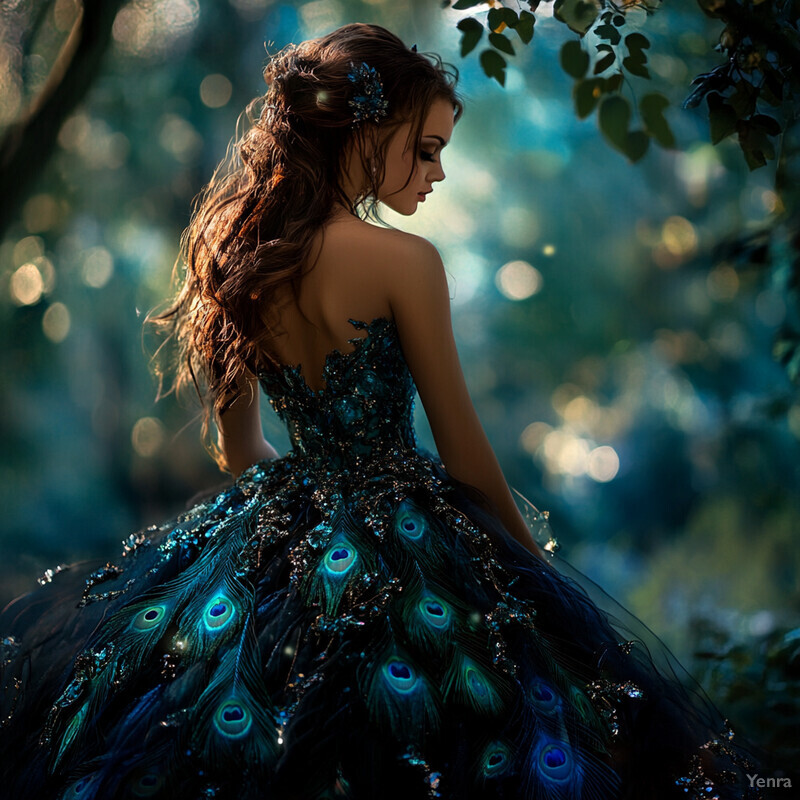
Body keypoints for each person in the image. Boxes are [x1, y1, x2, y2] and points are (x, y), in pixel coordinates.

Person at [0, 22, 766, 800]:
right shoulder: (406, 262)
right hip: (411, 532)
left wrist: (308, 514)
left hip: (282, 529)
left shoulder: (242, 262)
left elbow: (238, 452)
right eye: (425, 149)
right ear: (367, 131)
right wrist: (534, 573)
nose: (436, 174)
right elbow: (463, 452)